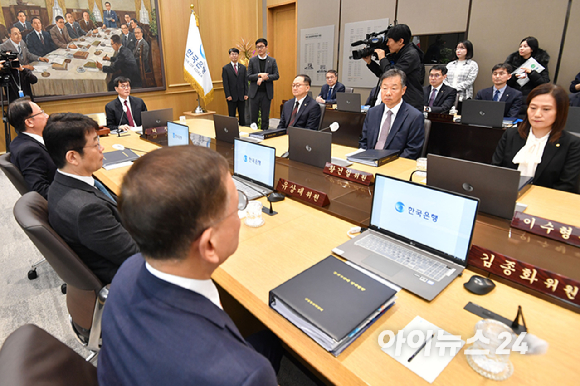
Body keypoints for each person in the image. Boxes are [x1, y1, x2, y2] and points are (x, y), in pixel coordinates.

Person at [97, 146, 282, 385]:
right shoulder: (245, 375)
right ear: (210, 246)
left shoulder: (130, 269)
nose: (239, 216)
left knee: (269, 340)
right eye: (237, 208)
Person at [44, 113, 139, 283]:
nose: (102, 149)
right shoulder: (88, 211)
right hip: (132, 278)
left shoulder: (60, 183)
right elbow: (136, 256)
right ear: (72, 157)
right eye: (96, 144)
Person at [492, 84, 580, 192]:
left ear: (560, 112)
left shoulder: (572, 144)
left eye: (546, 109)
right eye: (533, 108)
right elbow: (495, 171)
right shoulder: (510, 135)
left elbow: (566, 186)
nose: (537, 114)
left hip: (545, 203)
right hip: (506, 196)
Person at [359, 69, 424, 159]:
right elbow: (363, 141)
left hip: (395, 166)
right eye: (384, 88)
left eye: (394, 88)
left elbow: (412, 150)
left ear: (403, 90)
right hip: (369, 162)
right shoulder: (372, 112)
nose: (388, 93)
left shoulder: (414, 116)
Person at [363, 24, 424, 111]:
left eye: (389, 41)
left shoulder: (411, 55)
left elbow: (391, 75)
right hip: (398, 103)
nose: (387, 44)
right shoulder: (398, 53)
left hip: (410, 103)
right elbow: (383, 74)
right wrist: (370, 62)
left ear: (400, 41)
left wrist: (382, 58)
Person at [7, 97, 55, 199]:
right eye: (41, 112)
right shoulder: (29, 150)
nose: (46, 116)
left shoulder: (18, 141)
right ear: (29, 122)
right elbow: (40, 190)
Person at [504, 36, 550, 114]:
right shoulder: (512, 61)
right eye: (520, 46)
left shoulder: (539, 63)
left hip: (530, 96)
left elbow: (544, 83)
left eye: (525, 47)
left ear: (532, 49)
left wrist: (532, 73)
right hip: (513, 96)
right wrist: (514, 77)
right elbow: (504, 81)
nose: (521, 49)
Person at [248, 38, 279, 130]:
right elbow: (248, 76)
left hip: (266, 93)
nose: (259, 49)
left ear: (266, 47)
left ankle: (265, 133)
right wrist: (259, 75)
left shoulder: (272, 61)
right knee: (253, 116)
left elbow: (276, 75)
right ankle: (253, 134)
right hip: (254, 93)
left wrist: (265, 78)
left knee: (265, 116)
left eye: (261, 47)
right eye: (257, 47)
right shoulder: (252, 60)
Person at [222, 48, 248, 126]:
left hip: (241, 96)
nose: (234, 56)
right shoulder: (226, 68)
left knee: (242, 115)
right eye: (232, 54)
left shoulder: (243, 68)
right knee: (232, 116)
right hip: (231, 96)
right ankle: (232, 130)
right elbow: (225, 83)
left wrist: (246, 93)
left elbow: (245, 82)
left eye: (236, 54)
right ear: (229, 56)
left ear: (238, 55)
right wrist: (228, 95)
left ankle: (243, 130)